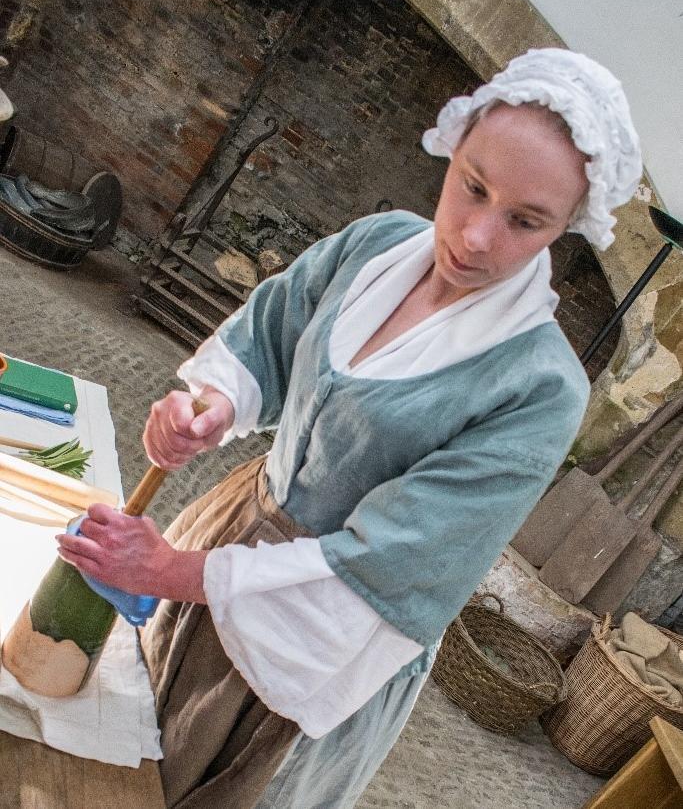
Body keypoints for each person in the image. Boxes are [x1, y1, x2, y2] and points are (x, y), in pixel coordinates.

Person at [56, 48, 642, 809]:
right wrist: (210, 408)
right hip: (225, 538)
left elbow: (391, 561)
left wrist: (171, 574)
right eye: (472, 187)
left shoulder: (538, 388)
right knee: (117, 747)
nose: (475, 238)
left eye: (525, 222)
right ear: (453, 150)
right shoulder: (376, 245)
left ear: (566, 228)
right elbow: (271, 335)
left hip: (319, 626)